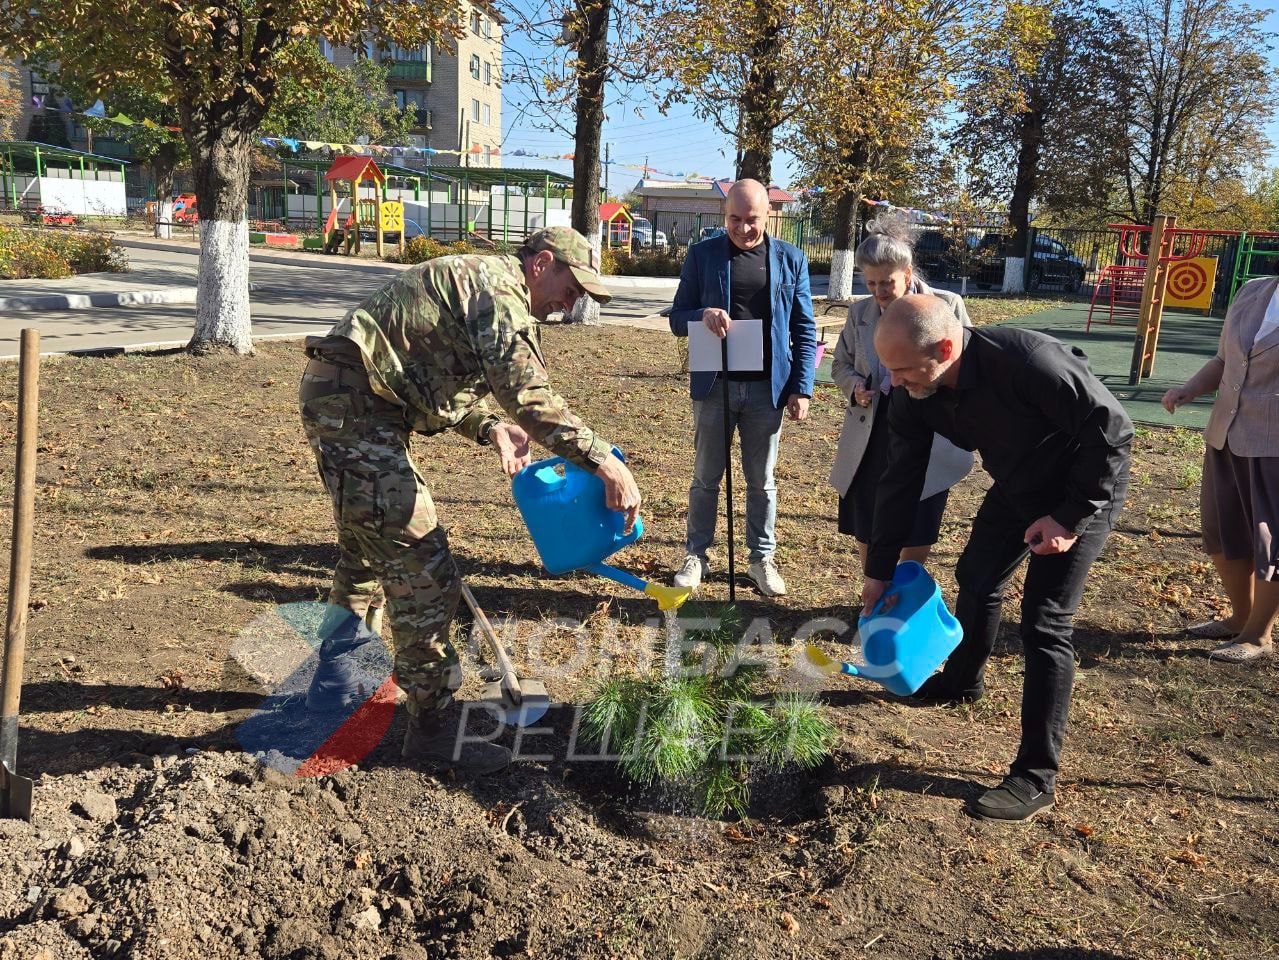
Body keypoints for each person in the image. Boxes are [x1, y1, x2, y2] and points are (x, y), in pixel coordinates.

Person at [299, 227, 641, 775]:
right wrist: (604, 461)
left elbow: (426, 369)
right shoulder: (499, 292)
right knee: (422, 565)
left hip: (354, 402)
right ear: (542, 263)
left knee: (367, 555)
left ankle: (334, 690)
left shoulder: (485, 286)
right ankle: (432, 730)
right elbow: (529, 395)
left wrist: (489, 429)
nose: (571, 302)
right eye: (572, 287)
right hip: (355, 409)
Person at [862, 295, 1132, 822]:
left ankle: (1036, 775)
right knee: (977, 578)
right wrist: (878, 571)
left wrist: (1069, 516)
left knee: (1045, 623)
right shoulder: (915, 391)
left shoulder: (1029, 363)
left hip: (1083, 486)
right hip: (1017, 484)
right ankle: (963, 680)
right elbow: (899, 479)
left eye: (902, 370)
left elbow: (1114, 432)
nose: (893, 383)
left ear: (945, 347)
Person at [667, 179, 817, 597]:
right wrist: (702, 314)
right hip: (715, 385)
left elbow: (805, 330)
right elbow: (677, 318)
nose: (743, 229)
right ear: (724, 215)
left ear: (769, 215)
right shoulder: (703, 255)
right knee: (705, 477)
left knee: (762, 480)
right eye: (734, 219)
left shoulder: (791, 259)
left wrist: (801, 388)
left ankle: (761, 558)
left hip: (767, 390)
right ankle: (696, 554)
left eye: (752, 220)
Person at [829, 216, 973, 571]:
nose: (878, 292)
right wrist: (855, 388)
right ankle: (873, 592)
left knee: (919, 511)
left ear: (907, 274)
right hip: (873, 430)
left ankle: (906, 594)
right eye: (871, 282)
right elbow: (840, 366)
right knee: (868, 515)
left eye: (887, 283)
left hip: (928, 429)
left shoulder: (947, 305)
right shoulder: (860, 312)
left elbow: (967, 366)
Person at [1162, 275, 1279, 663]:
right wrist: (1190, 389)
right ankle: (1239, 618)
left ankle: (1259, 635)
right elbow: (1224, 360)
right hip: (1225, 435)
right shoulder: (1252, 291)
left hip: (1274, 444)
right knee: (1222, 531)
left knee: (1270, 541)